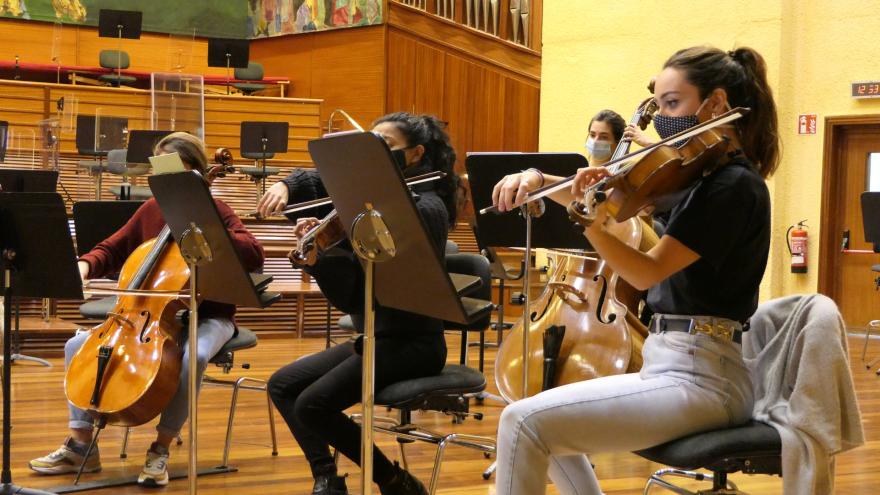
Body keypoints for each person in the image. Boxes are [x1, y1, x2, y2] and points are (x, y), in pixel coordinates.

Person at [490, 45, 779, 495]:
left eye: (671, 104)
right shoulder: (696, 179)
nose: (661, 119)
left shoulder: (733, 185)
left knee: (522, 420)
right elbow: (616, 205)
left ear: (717, 104)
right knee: (545, 422)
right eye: (659, 104)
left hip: (707, 378)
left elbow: (645, 271)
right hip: (671, 362)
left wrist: (588, 220)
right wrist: (542, 182)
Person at [28, 132, 265, 487]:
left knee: (193, 356)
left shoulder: (219, 211)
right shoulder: (153, 209)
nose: (164, 178)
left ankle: (160, 448)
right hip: (148, 316)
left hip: (210, 316)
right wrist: (85, 265)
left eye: (172, 168)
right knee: (76, 346)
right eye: (160, 169)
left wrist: (211, 230)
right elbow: (112, 248)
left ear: (193, 170)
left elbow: (254, 253)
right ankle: (81, 447)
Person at [260, 112, 460, 495]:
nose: (373, 154)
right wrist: (320, 256)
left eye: (385, 145)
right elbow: (351, 296)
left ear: (416, 153)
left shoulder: (429, 206)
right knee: (283, 385)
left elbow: (397, 257)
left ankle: (392, 480)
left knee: (312, 405)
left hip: (414, 343)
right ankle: (327, 478)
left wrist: (349, 224)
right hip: (376, 334)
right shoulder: (370, 201)